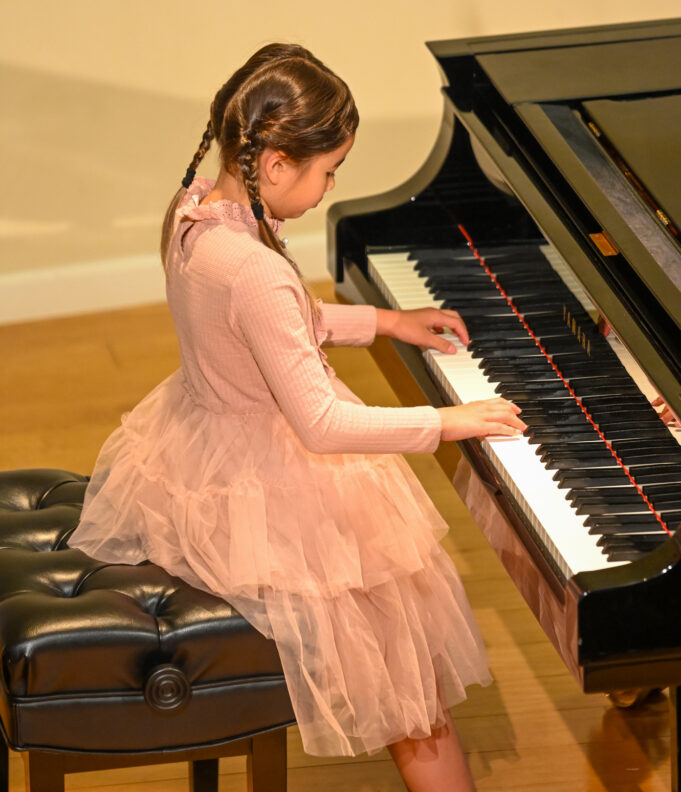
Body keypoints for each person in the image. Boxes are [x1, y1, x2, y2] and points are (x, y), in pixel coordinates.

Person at [69, 43, 525, 792]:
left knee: (402, 661)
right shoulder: (255, 270)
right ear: (276, 165)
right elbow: (321, 424)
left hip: (201, 450)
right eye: (329, 171)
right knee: (406, 671)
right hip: (273, 486)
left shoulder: (194, 211)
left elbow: (278, 326)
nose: (330, 186)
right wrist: (447, 421)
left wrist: (384, 322)